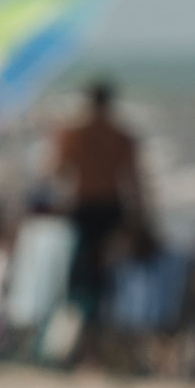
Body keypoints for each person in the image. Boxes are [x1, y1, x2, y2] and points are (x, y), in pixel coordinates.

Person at [49, 79, 144, 345]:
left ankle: (83, 334)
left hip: (83, 207)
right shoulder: (121, 136)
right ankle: (103, 333)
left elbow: (56, 172)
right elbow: (134, 181)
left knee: (82, 274)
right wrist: (141, 217)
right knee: (109, 274)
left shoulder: (74, 134)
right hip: (112, 207)